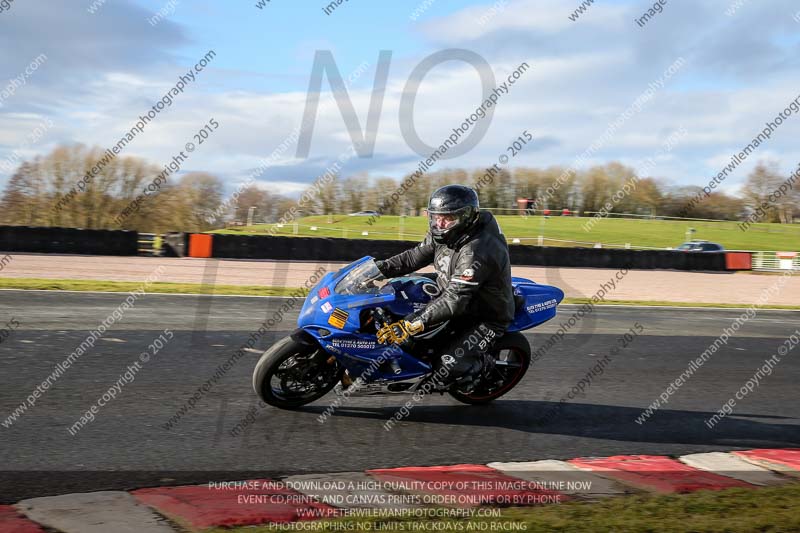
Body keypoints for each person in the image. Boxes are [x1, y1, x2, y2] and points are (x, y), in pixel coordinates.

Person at [374, 184, 515, 391]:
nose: (439, 223)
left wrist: (409, 325)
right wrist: (380, 269)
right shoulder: (446, 231)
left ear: (466, 217)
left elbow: (454, 300)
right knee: (395, 295)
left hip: (483, 314)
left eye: (447, 218)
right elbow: (414, 257)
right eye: (435, 217)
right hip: (449, 288)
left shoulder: (477, 251)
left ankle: (478, 370)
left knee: (448, 366)